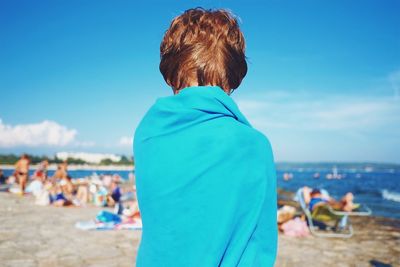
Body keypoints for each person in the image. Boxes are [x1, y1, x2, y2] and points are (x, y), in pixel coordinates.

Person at [134, 8, 277, 267]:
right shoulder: (253, 144)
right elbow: (260, 243)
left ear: (169, 75)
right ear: (234, 78)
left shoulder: (146, 135)